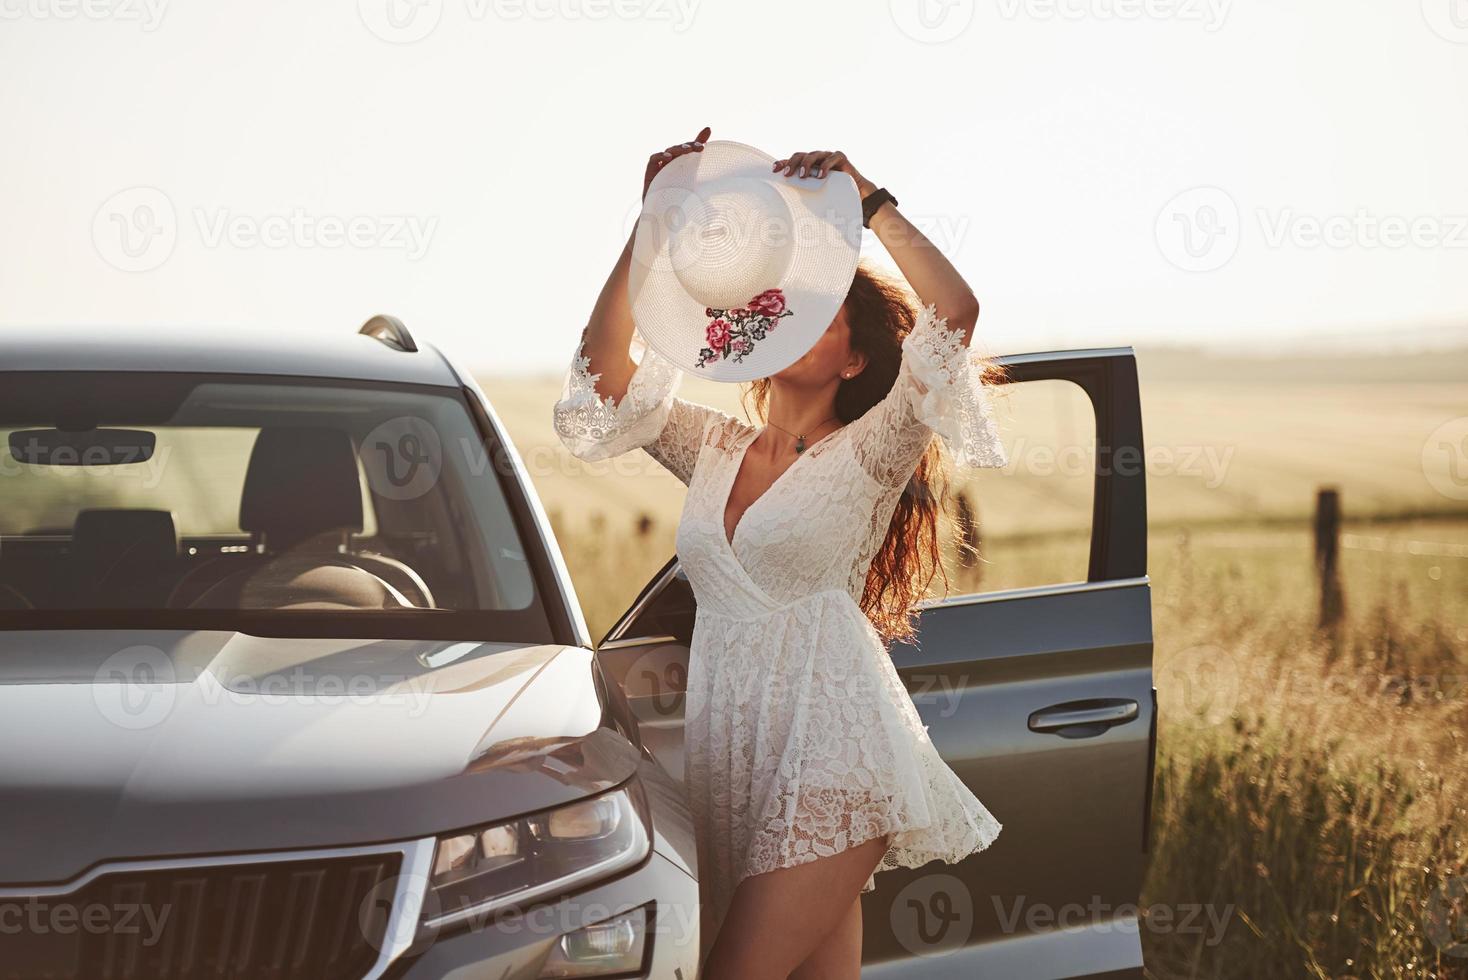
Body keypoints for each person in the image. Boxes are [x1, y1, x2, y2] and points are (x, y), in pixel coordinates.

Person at [552, 126, 1009, 979]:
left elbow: (958, 316)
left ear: (857, 357)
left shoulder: (874, 449)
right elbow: (607, 373)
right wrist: (651, 224)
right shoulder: (713, 446)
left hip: (837, 745)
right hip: (737, 748)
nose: (799, 322)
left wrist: (868, 201)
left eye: (825, 315)